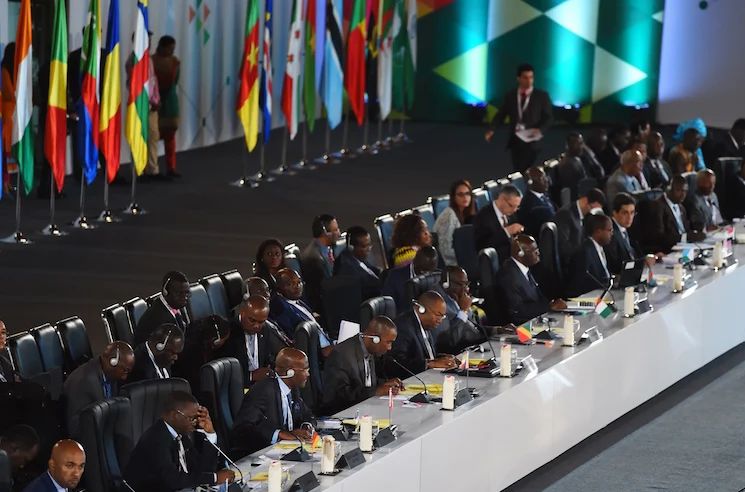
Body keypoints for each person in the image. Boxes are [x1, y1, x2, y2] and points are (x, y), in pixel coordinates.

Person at [124, 391, 235, 491]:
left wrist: (210, 434)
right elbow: (173, 480)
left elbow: (202, 471)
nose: (195, 423)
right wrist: (214, 478)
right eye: (191, 418)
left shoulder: (180, 435)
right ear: (175, 416)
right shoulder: (155, 439)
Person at [233, 348, 316, 455]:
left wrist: (306, 426)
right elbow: (244, 427)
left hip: (283, 452)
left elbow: (307, 414)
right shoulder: (263, 391)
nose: (308, 374)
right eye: (305, 370)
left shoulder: (293, 389)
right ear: (290, 372)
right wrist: (279, 434)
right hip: (259, 454)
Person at [321, 316, 402, 415]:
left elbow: (365, 383)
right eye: (388, 342)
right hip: (344, 414)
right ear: (375, 339)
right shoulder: (342, 354)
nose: (389, 348)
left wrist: (385, 384)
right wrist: (375, 392)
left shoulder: (370, 350)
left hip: (366, 411)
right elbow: (337, 395)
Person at [485, 63, 553, 172]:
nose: (529, 81)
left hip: (533, 140)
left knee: (529, 170)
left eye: (531, 77)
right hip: (516, 140)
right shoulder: (511, 95)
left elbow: (548, 118)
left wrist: (540, 130)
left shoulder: (541, 96)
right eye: (525, 77)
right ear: (518, 78)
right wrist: (492, 129)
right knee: (518, 170)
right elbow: (501, 114)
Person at [63, 341, 135, 438]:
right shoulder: (83, 382)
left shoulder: (111, 374)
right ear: (112, 362)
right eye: (125, 370)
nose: (124, 377)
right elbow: (76, 428)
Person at [215, 296, 290, 387]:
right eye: (252, 320)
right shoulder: (228, 333)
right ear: (242, 312)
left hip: (262, 385)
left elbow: (268, 357)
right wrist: (251, 376)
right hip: (238, 388)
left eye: (261, 322)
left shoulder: (266, 329)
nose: (256, 326)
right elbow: (223, 373)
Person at [433, 266, 510, 353]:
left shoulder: (457, 297)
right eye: (461, 284)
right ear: (446, 283)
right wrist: (463, 310)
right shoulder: (437, 303)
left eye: (466, 284)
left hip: (478, 346)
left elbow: (473, 327)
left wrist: (497, 330)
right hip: (460, 353)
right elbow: (450, 342)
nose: (466, 289)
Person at [495, 235, 566, 325]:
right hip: (522, 326)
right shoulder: (508, 276)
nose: (538, 253)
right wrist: (549, 307)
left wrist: (551, 305)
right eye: (534, 251)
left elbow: (537, 298)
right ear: (520, 254)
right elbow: (517, 311)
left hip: (536, 320)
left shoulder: (523, 268)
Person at [388, 291, 459, 378]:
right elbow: (397, 363)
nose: (440, 320)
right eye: (438, 315)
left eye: (442, 316)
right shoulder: (403, 327)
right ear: (422, 309)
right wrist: (429, 364)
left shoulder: (426, 324)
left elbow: (422, 356)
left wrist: (443, 358)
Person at [269, 269, 333, 354]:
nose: (297, 286)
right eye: (290, 284)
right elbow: (297, 342)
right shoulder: (281, 309)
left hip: (327, 343)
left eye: (299, 282)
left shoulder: (299, 302)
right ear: (279, 288)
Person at [126, 31, 162, 179]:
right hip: (140, 105)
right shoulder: (134, 60)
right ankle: (139, 169)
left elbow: (153, 82)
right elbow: (136, 85)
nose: (150, 43)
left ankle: (152, 169)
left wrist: (156, 100)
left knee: (153, 137)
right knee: (139, 136)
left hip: (152, 106)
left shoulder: (149, 59)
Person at [638, 175, 698, 255]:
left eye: (685, 191)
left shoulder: (681, 207)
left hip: (685, 248)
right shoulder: (657, 207)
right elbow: (659, 238)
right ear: (668, 189)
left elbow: (686, 229)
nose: (683, 194)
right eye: (679, 190)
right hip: (668, 251)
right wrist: (684, 237)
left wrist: (695, 234)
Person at [171, 315, 231, 395]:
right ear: (216, 341)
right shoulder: (194, 355)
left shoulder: (192, 335)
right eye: (224, 340)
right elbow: (196, 386)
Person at [553, 188, 606, 273]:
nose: (591, 212)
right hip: (571, 267)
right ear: (585, 201)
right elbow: (563, 247)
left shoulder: (584, 216)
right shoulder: (565, 214)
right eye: (592, 208)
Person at [134, 271, 190, 345]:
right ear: (165, 292)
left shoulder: (175, 307)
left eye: (186, 293)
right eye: (179, 293)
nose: (184, 297)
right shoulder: (160, 318)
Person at [152, 35, 181, 178]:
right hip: (154, 103)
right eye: (170, 48)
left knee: (170, 137)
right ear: (162, 47)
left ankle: (171, 167)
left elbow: (175, 81)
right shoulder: (151, 62)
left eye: (173, 48)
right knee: (153, 137)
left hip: (169, 103)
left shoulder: (175, 62)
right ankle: (152, 168)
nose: (172, 51)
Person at [299, 214, 341, 313]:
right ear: (325, 232)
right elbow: (320, 292)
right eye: (335, 230)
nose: (339, 233)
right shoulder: (314, 259)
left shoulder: (327, 249)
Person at [473, 184, 524, 262]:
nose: (514, 210)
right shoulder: (483, 217)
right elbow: (483, 246)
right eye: (511, 206)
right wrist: (506, 232)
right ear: (502, 199)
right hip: (497, 260)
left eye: (517, 206)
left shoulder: (512, 213)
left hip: (513, 258)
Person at [566, 213, 614, 297]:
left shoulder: (600, 248)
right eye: (609, 230)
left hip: (604, 293)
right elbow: (580, 283)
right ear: (598, 231)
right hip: (589, 298)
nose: (612, 233)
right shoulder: (584, 252)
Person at [433, 179, 477, 266]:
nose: (465, 197)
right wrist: (468, 257)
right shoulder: (449, 216)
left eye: (467, 194)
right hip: (450, 265)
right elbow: (446, 250)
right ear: (453, 197)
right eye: (460, 194)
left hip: (460, 261)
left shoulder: (464, 214)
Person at [381, 245, 439, 311]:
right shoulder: (395, 276)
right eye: (423, 271)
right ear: (414, 261)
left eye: (429, 271)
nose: (425, 274)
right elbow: (387, 307)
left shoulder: (436, 277)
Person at [333, 226, 382, 300]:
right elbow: (368, 286)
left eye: (369, 244)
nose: (369, 249)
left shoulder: (357, 257)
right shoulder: (347, 268)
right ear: (351, 247)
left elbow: (372, 270)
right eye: (364, 246)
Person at [604, 193, 642, 275]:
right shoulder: (610, 233)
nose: (629, 217)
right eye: (625, 213)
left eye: (632, 213)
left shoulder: (627, 228)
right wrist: (641, 263)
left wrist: (645, 259)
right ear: (615, 213)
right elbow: (616, 266)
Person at [517, 167, 556, 239]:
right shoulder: (529, 204)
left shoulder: (545, 194)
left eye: (545, 177)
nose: (546, 180)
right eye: (542, 178)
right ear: (530, 183)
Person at [556, 133, 588, 199]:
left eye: (582, 143)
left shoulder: (577, 159)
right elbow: (572, 190)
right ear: (568, 146)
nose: (582, 146)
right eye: (578, 143)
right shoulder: (566, 164)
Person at [1, 44, 15, 195]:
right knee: (5, 153)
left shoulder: (7, 70)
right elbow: (10, 94)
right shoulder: (5, 71)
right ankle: (5, 184)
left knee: (8, 154)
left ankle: (7, 183)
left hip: (9, 117)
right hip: (6, 117)